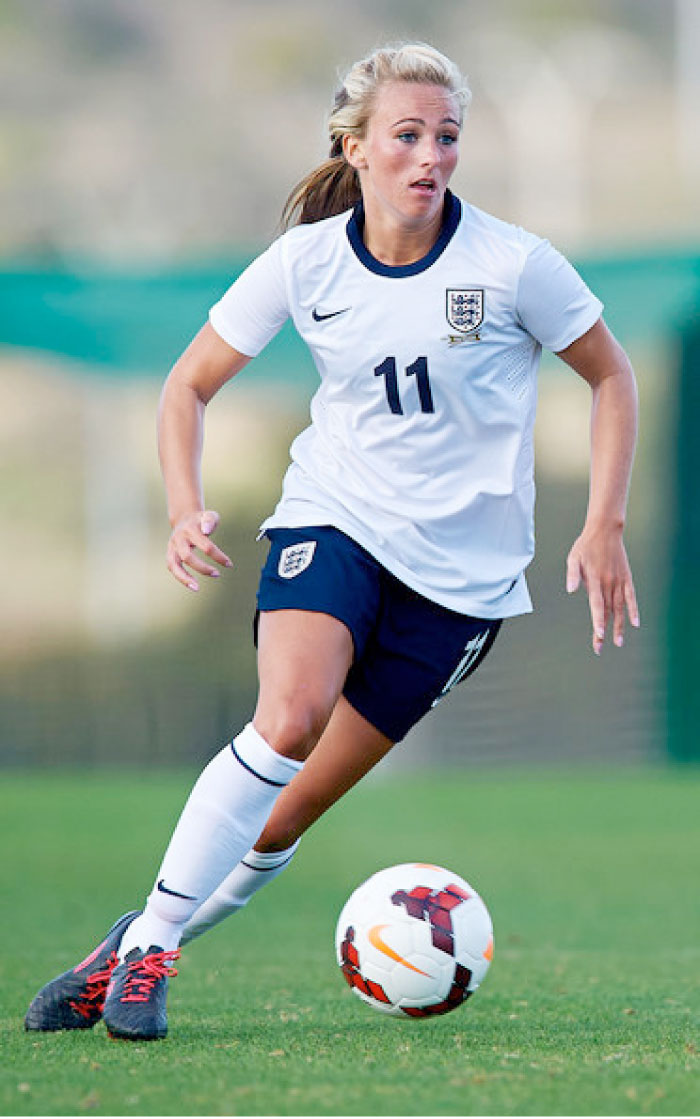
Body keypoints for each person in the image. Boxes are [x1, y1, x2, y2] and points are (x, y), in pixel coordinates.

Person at [25, 41, 639, 1042]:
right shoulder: (305, 262)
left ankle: (129, 939)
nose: (429, 157)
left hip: (462, 587)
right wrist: (184, 504)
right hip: (334, 522)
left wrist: (602, 520)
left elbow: (611, 376)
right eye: (405, 136)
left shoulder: (514, 264)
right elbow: (187, 385)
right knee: (291, 716)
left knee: (278, 818)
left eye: (446, 137)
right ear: (354, 147)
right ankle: (153, 951)